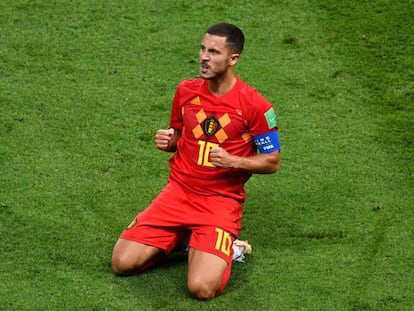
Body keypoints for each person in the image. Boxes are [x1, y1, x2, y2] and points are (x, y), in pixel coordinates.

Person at [111, 22, 281, 300]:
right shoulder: (186, 91)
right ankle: (185, 238)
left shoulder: (256, 106)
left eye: (213, 52)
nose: (203, 56)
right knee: (122, 264)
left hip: (219, 202)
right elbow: (180, 138)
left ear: (232, 59)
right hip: (176, 195)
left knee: (201, 289)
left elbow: (271, 161)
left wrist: (233, 161)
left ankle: (230, 248)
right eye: (202, 49)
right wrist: (170, 142)